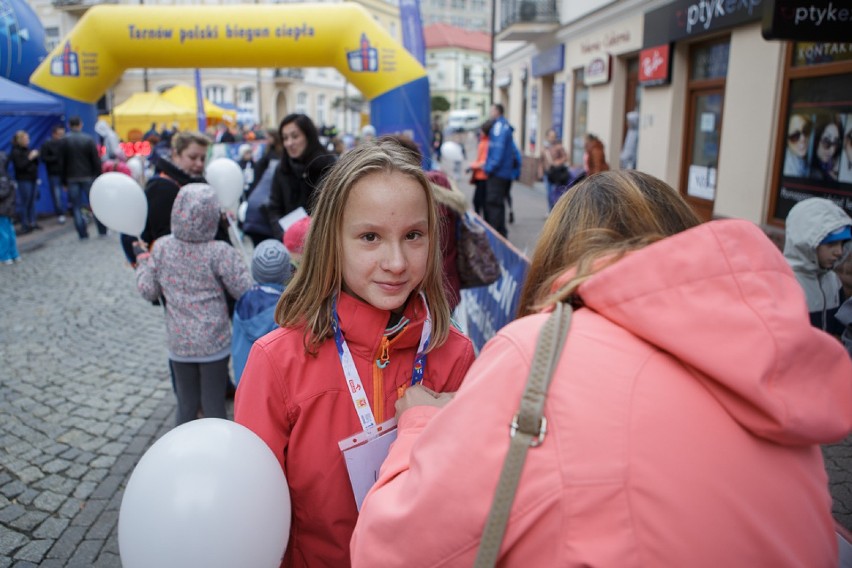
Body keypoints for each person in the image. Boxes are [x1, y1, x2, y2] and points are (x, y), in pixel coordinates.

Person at [351, 170, 852, 567]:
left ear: (559, 253)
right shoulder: (764, 361)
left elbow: (388, 551)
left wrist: (419, 427)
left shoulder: (539, 351)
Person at [234, 139, 476, 567]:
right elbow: (251, 514)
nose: (397, 262)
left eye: (413, 236)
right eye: (370, 237)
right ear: (332, 240)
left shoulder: (454, 355)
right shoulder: (278, 362)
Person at [135, 184, 253, 426]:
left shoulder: (163, 247)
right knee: (213, 405)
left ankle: (184, 451)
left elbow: (149, 290)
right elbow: (244, 289)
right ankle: (217, 451)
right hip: (213, 342)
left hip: (180, 342)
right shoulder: (219, 252)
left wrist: (142, 265)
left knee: (186, 405)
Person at [783, 197, 851, 336]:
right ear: (806, 243)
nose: (839, 251)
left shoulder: (833, 281)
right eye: (831, 244)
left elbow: (839, 329)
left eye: (842, 243)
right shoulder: (785, 282)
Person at [231, 239, 292, 387]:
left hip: (245, 382)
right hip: (272, 387)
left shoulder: (243, 300)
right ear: (287, 272)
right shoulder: (287, 310)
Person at [266, 114, 336, 241]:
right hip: (289, 243)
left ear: (308, 136)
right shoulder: (282, 169)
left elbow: (334, 209)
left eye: (295, 136)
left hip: (322, 242)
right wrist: (283, 235)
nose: (289, 143)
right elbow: (274, 208)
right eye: (285, 138)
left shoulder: (328, 166)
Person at [62, 116, 106, 239]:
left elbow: (62, 162)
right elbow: (95, 160)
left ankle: (82, 233)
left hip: (72, 177)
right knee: (95, 204)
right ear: (80, 124)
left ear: (69, 125)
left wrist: (63, 180)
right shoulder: (88, 139)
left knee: (76, 206)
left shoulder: (64, 140)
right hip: (88, 176)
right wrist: (98, 175)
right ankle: (102, 230)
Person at [483, 103, 520, 237]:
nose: (490, 112)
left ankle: (496, 235)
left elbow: (497, 151)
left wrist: (488, 168)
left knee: (494, 203)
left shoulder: (499, 127)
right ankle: (501, 232)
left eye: (491, 110)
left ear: (497, 111)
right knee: (499, 203)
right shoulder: (504, 126)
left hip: (498, 173)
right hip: (504, 173)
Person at [10, 130, 40, 234]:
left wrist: (35, 158)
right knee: (25, 202)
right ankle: (25, 224)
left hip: (32, 178)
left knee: (32, 201)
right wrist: (30, 157)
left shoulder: (27, 149)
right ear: (21, 140)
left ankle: (32, 222)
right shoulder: (16, 152)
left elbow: (34, 163)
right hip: (23, 179)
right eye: (26, 139)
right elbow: (20, 166)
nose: (28, 140)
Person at [39, 124, 67, 224]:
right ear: (54, 134)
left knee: (70, 193)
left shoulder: (65, 143)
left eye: (62, 134)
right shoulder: (47, 144)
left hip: (66, 173)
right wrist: (56, 158)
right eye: (60, 134)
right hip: (54, 173)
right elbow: (43, 158)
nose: (61, 136)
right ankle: (60, 214)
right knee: (57, 195)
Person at [539, 128, 569, 210]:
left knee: (554, 192)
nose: (552, 138)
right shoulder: (544, 148)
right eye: (551, 136)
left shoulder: (559, 147)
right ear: (547, 137)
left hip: (556, 173)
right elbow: (541, 162)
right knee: (548, 193)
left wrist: (557, 162)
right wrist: (540, 173)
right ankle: (550, 210)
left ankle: (555, 210)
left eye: (554, 136)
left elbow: (565, 157)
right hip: (547, 173)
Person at [0, 151, 21, 264]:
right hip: (7, 209)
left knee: (4, 233)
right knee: (9, 231)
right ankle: (13, 254)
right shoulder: (6, 177)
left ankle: (5, 256)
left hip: (3, 209)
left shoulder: (3, 179)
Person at [468, 120, 492, 216]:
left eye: (481, 130)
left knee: (480, 202)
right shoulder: (484, 142)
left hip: (483, 177)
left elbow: (484, 162)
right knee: (478, 202)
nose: (480, 132)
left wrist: (472, 166)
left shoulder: (486, 143)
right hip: (480, 176)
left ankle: (483, 224)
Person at [810, 115, 842, 182]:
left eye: (835, 143)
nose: (832, 150)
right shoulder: (814, 174)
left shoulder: (831, 166)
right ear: (816, 139)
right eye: (826, 141)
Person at [784, 113, 812, 178]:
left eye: (805, 130)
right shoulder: (787, 169)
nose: (803, 138)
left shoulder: (799, 159)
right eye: (795, 136)